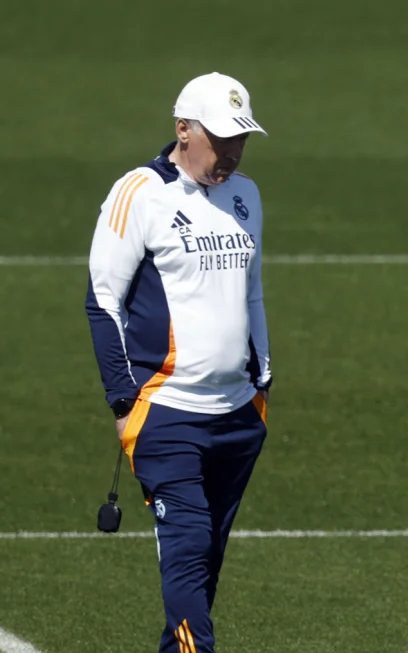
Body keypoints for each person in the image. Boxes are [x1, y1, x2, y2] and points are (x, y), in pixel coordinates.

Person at [85, 71, 271, 653]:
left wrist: (263, 378)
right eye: (221, 139)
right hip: (165, 411)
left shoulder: (247, 195)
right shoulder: (139, 193)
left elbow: (253, 292)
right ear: (183, 130)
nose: (233, 152)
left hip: (239, 415)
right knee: (188, 544)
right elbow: (102, 300)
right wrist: (123, 401)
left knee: (205, 558)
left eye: (241, 139)